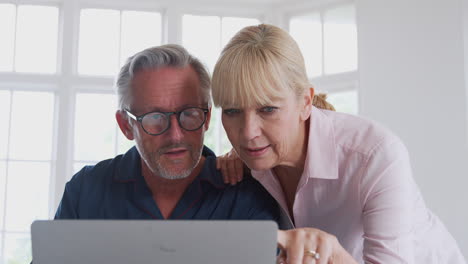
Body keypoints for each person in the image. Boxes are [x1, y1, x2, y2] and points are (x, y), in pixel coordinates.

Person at [212, 24, 466, 264]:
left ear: (305, 103)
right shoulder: (254, 158)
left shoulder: (375, 155)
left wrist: (331, 254)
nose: (247, 132)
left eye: (268, 109)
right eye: (232, 111)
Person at [54, 44, 279, 223]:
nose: (175, 136)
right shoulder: (85, 190)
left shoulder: (247, 194)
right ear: (125, 125)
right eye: (154, 118)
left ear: (207, 118)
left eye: (189, 114)